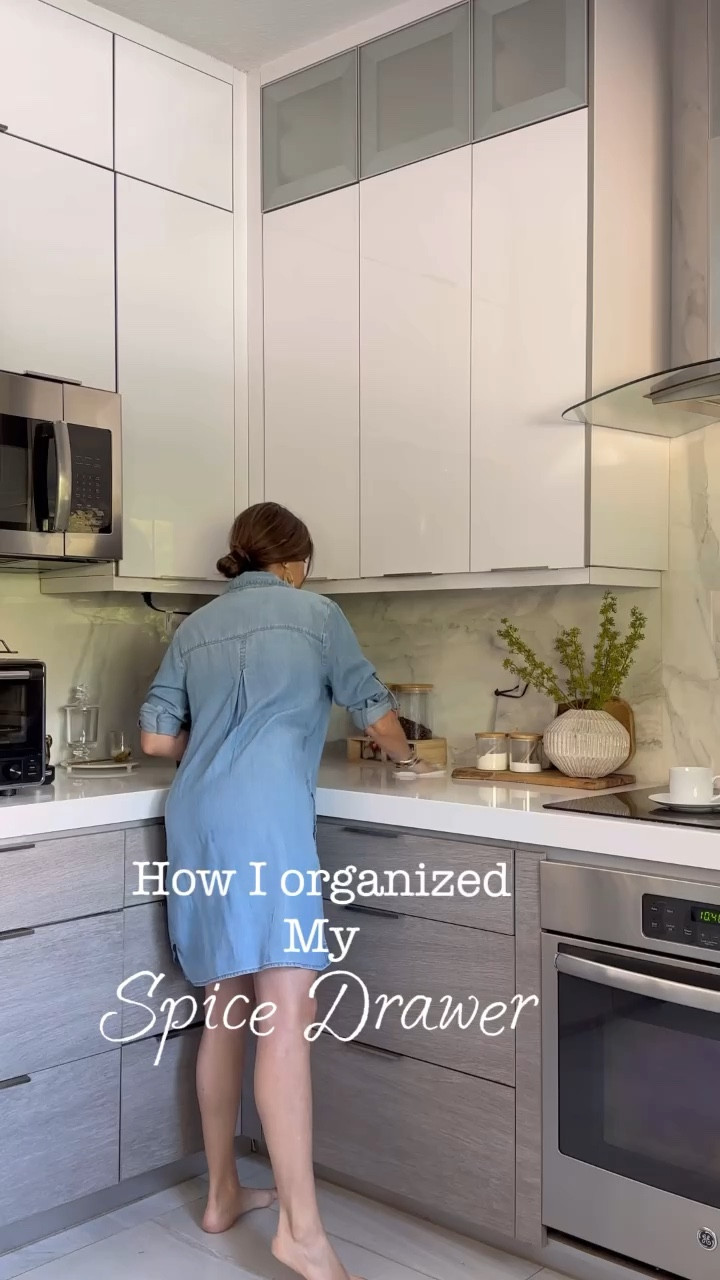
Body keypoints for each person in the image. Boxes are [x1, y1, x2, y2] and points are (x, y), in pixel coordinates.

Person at [139, 501, 429, 1280]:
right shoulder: (316, 613)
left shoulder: (193, 627)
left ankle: (223, 1192)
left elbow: (156, 739)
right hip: (265, 825)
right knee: (285, 1017)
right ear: (297, 561)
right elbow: (377, 711)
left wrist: (223, 746)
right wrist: (405, 759)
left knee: (225, 1006)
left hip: (196, 820)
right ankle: (302, 1233)